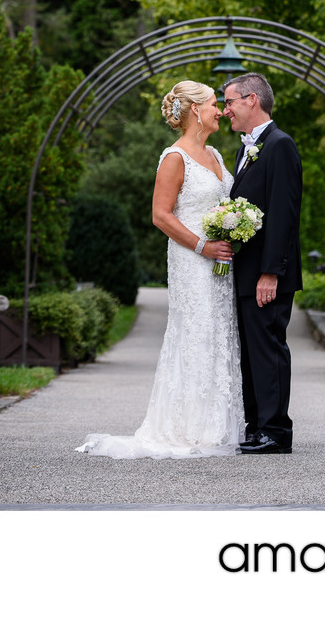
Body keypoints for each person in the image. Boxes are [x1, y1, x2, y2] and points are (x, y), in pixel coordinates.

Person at [76, 80, 244, 459]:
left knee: (220, 332)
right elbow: (160, 215)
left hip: (221, 261)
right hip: (193, 260)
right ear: (195, 111)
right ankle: (189, 428)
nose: (220, 111)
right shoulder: (174, 157)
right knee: (196, 333)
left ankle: (220, 425)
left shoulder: (216, 154)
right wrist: (203, 245)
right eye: (215, 105)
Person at [222, 72, 303, 455]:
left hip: (267, 276)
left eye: (230, 102)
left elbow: (284, 215)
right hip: (246, 273)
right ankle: (256, 427)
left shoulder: (280, 145)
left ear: (252, 100)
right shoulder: (245, 150)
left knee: (269, 350)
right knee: (251, 353)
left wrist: (271, 271)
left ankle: (276, 431)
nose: (226, 111)